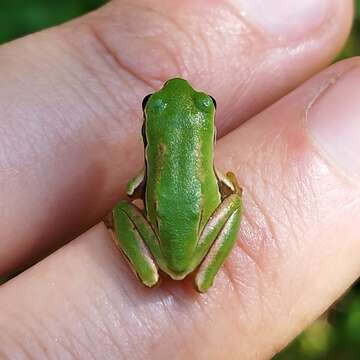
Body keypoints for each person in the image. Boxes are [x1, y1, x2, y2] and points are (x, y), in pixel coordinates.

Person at [0, 0, 358, 358]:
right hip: (200, 234)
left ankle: (153, 269)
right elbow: (219, 184)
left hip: (157, 244)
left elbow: (131, 190)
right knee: (234, 200)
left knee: (122, 210)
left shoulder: (152, 137)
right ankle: (203, 274)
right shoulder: (205, 127)